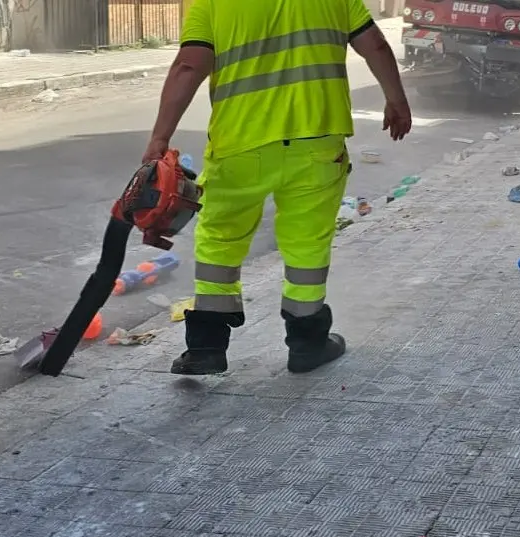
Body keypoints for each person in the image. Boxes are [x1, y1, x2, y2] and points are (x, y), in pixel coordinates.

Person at [142, 0, 412, 376]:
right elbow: (376, 46)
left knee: (220, 237)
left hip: (240, 145)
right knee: (308, 243)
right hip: (317, 144)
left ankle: (205, 347)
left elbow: (189, 65)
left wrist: (160, 137)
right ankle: (307, 342)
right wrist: (396, 101)